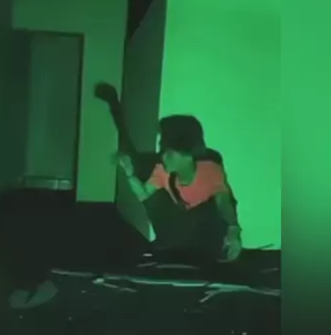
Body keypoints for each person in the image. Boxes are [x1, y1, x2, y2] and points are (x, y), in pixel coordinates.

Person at [95, 82, 242, 262]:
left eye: (169, 152)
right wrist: (129, 173)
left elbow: (224, 202)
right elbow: (144, 193)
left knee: (212, 211)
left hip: (204, 235)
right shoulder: (162, 170)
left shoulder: (210, 169)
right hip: (174, 231)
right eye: (163, 150)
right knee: (134, 159)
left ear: (186, 154)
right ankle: (113, 104)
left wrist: (233, 231)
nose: (163, 156)